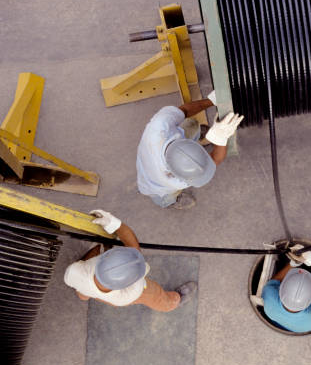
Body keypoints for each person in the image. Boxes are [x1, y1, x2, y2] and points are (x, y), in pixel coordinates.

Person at [64, 209, 197, 312]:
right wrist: (114, 223)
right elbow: (134, 249)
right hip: (122, 296)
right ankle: (174, 301)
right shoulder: (130, 293)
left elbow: (87, 262)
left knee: (83, 292)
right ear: (127, 283)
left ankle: (83, 296)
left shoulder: (74, 272)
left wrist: (113, 225)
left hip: (83, 284)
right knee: (155, 295)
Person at [136, 91, 244, 209]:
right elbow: (215, 160)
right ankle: (170, 202)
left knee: (191, 125)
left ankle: (198, 137)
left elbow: (184, 110)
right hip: (155, 188)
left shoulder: (161, 124)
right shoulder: (174, 180)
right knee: (164, 196)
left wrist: (211, 101)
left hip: (153, 152)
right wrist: (221, 138)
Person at [262, 249, 311, 333]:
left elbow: (275, 281)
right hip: (301, 327)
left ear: (281, 288)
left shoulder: (269, 299)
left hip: (277, 321)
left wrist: (293, 263)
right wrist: (309, 259)